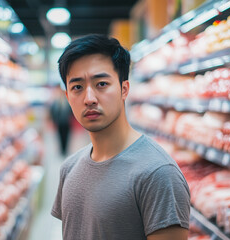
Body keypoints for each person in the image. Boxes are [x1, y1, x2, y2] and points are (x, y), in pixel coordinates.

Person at [51, 34, 190, 240]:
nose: (89, 99)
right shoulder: (69, 168)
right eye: (77, 87)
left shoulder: (158, 174)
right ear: (68, 97)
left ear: (124, 89)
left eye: (101, 84)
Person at [50, 84, 73, 156]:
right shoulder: (56, 101)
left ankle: (65, 149)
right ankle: (62, 150)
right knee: (60, 136)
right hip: (59, 122)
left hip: (67, 122)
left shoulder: (66, 101)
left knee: (66, 136)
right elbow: (53, 111)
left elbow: (70, 111)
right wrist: (54, 121)